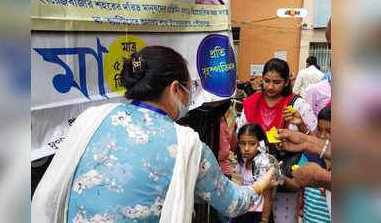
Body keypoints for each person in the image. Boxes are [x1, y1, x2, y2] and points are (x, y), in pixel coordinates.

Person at [32, 46, 279, 223]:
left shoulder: (92, 118)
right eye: (188, 89)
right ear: (174, 89)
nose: (189, 98)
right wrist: (261, 183)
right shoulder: (186, 144)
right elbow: (233, 203)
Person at [237, 58, 318, 223]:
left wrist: (301, 124)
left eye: (277, 82)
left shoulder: (298, 105)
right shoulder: (252, 103)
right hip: (255, 179)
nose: (270, 87)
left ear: (287, 81)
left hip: (285, 179)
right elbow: (239, 136)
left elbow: (315, 141)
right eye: (266, 81)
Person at [233, 123, 274, 223]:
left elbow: (268, 198)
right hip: (243, 212)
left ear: (260, 144)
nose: (246, 148)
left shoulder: (263, 166)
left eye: (252, 144)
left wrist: (264, 220)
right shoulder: (242, 163)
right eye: (243, 143)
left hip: (258, 215)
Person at [299, 106, 331, 223]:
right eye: (319, 129)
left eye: (329, 131)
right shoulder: (310, 155)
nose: (322, 136)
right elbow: (295, 184)